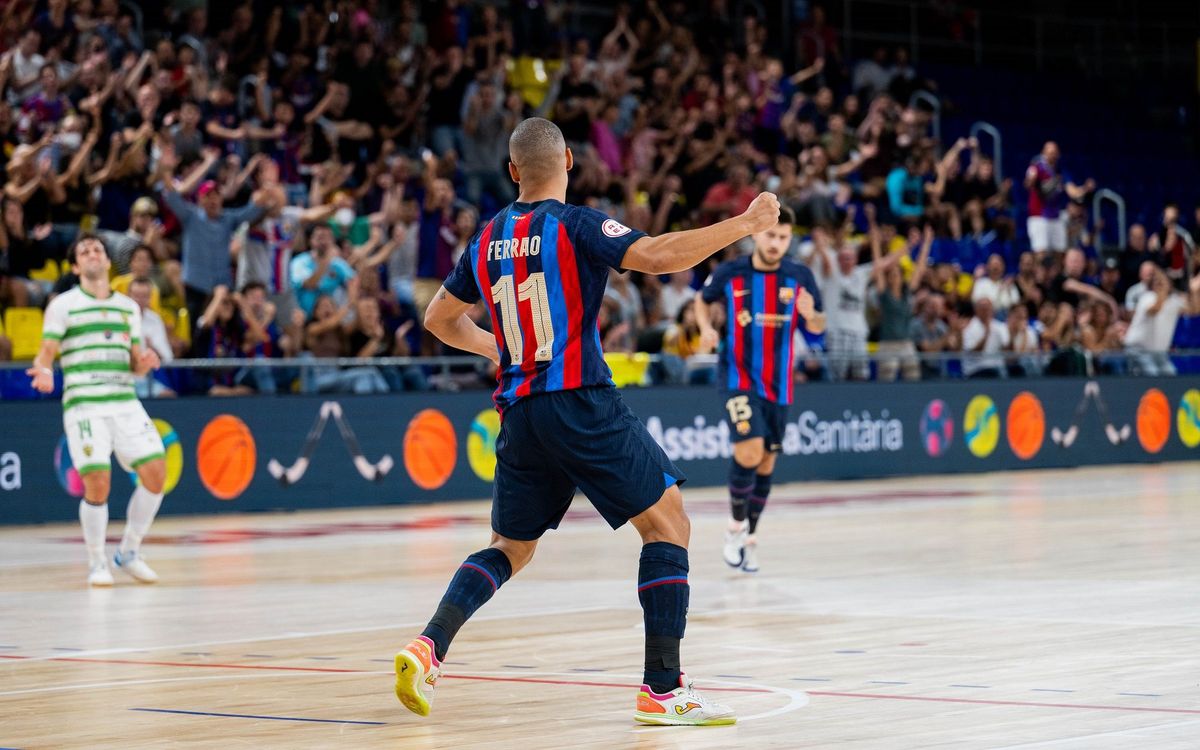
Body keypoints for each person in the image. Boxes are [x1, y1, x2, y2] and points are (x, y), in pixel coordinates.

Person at [399, 117, 781, 726]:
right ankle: (663, 691)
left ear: (513, 171)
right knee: (668, 524)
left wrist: (497, 349)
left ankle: (429, 646)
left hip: (520, 412)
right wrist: (744, 224)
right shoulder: (576, 224)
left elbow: (439, 319)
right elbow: (656, 255)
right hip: (578, 398)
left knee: (510, 548)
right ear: (571, 161)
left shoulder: (488, 235)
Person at [26, 235, 168, 586]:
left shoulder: (127, 307)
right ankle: (96, 561)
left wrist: (145, 362)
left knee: (156, 473)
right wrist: (43, 370)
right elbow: (46, 351)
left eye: (97, 250)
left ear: (107, 262)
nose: (92, 254)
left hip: (124, 401)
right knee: (97, 483)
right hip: (85, 403)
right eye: (84, 251)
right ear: (76, 267)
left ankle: (129, 551)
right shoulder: (63, 304)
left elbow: (135, 363)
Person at [693, 205, 824, 573]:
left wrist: (812, 313)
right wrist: (705, 328)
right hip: (737, 378)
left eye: (783, 237)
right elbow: (701, 301)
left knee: (767, 461)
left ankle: (750, 535)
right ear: (755, 234)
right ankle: (734, 529)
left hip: (779, 386)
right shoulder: (731, 272)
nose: (776, 243)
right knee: (749, 451)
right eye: (770, 235)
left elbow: (818, 323)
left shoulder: (799, 275)